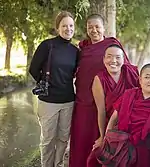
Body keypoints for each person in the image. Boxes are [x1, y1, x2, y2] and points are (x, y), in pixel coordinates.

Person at [69, 14, 130, 167]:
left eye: (97, 27)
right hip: (84, 103)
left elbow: (126, 67)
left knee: (105, 142)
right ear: (86, 29)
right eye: (90, 27)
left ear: (104, 28)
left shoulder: (112, 44)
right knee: (82, 141)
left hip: (108, 101)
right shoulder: (83, 49)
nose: (94, 30)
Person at [29, 11, 78, 167]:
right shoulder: (47, 45)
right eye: (64, 26)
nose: (68, 29)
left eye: (71, 25)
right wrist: (46, 83)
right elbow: (33, 69)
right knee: (48, 140)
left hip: (68, 101)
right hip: (48, 101)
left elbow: (76, 73)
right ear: (58, 28)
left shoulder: (75, 51)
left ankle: (58, 165)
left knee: (63, 138)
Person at [102, 63, 150, 167]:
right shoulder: (129, 95)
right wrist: (107, 139)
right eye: (147, 77)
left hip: (145, 150)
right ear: (140, 80)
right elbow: (114, 118)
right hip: (121, 145)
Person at [86, 44, 139, 167]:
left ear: (123, 59)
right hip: (109, 126)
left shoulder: (131, 73)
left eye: (118, 57)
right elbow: (101, 110)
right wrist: (102, 136)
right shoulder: (99, 79)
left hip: (131, 124)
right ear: (104, 59)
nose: (113, 61)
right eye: (109, 57)